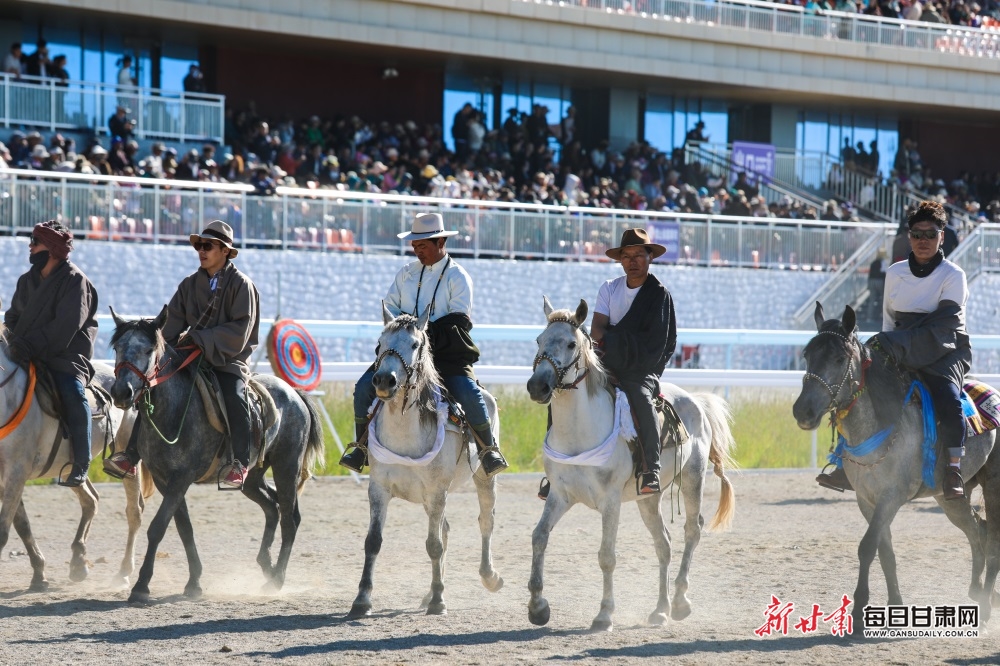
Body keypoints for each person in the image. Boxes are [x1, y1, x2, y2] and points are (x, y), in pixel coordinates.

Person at [817, 201, 969, 500]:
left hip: (944, 348)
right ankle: (845, 462)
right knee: (859, 392)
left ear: (942, 236)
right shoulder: (895, 272)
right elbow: (889, 320)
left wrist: (893, 343)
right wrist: (884, 352)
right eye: (916, 234)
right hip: (899, 346)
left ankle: (953, 469)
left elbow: (943, 326)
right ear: (908, 236)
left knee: (950, 402)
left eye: (930, 234)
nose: (922, 241)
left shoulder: (954, 275)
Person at [339, 212, 509, 477]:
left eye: (423, 246)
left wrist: (421, 332)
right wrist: (405, 331)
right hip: (403, 351)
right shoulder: (406, 273)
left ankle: (488, 450)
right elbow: (390, 308)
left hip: (445, 353)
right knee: (363, 388)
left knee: (470, 393)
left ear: (440, 242)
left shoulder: (458, 276)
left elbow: (459, 320)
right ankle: (360, 448)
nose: (417, 251)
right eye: (415, 246)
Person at [105, 221, 260, 489]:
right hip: (191, 355)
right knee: (153, 386)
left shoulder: (242, 285)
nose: (201, 250)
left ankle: (240, 462)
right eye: (199, 245)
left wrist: (199, 338)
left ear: (225, 251)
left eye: (207, 246)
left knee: (234, 396)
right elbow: (171, 325)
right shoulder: (189, 284)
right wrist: (157, 340)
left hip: (228, 358)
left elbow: (240, 330)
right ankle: (131, 455)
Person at [4, 221, 98, 487]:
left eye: (35, 241)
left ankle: (81, 462)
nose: (30, 247)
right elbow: (12, 317)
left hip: (65, 355)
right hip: (24, 351)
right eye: (31, 241)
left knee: (72, 390)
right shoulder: (26, 280)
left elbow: (64, 328)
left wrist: (28, 344)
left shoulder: (75, 280)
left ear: (54, 249)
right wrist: (11, 339)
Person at [592, 228, 677, 494]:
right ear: (620, 260)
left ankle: (651, 469)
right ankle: (556, 465)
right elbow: (595, 330)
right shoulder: (609, 288)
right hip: (606, 362)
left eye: (639, 255)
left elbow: (655, 342)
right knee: (566, 386)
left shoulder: (658, 294)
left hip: (642, 367)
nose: (632, 261)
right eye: (626, 256)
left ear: (649, 257)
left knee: (641, 399)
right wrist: (619, 343)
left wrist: (614, 339)